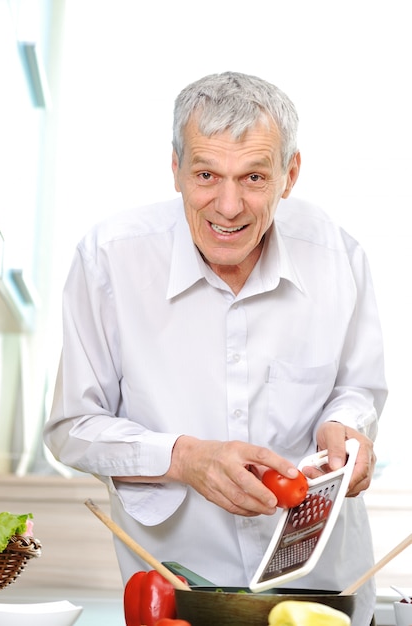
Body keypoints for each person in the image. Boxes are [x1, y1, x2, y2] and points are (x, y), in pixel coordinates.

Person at [43, 71, 387, 626]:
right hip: (180, 599)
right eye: (206, 174)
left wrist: (344, 424)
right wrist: (184, 459)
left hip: (324, 595)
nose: (228, 206)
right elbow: (72, 427)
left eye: (254, 176)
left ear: (289, 174)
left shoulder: (338, 256)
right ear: (175, 169)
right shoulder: (108, 259)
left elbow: (356, 389)